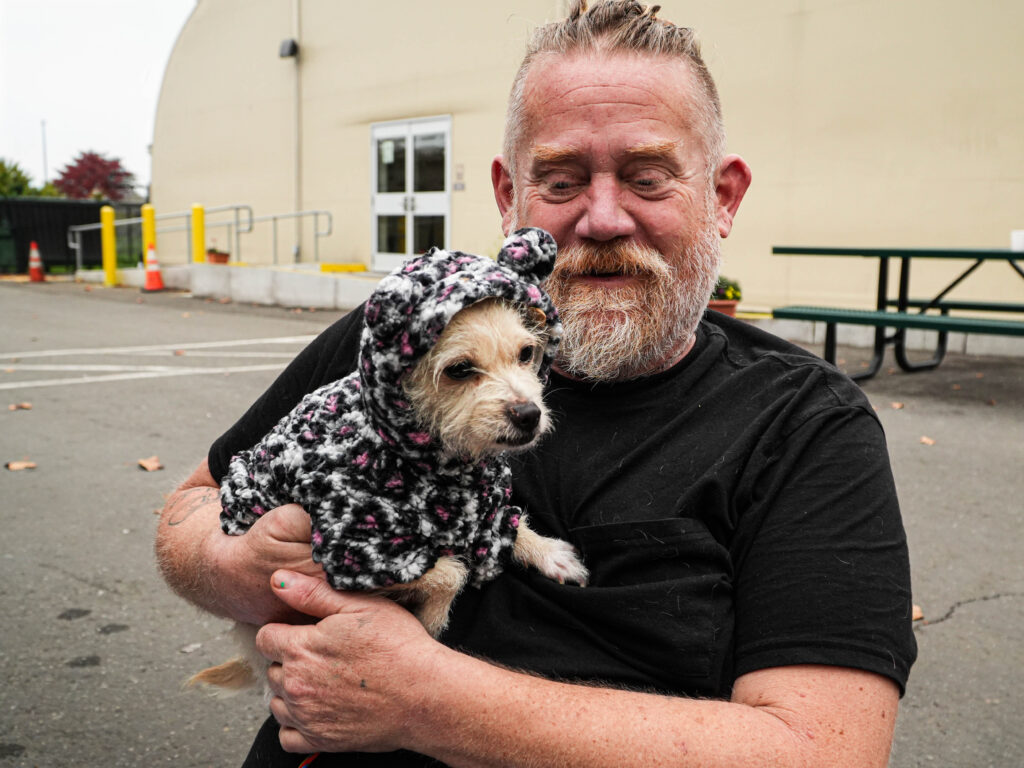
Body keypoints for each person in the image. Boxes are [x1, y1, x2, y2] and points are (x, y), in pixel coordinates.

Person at [155, 2, 917, 766]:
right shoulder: (400, 335)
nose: (603, 217)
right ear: (506, 195)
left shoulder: (804, 426)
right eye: (560, 180)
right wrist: (241, 567)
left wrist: (428, 701)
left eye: (648, 177)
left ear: (723, 197)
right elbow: (188, 512)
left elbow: (826, 751)